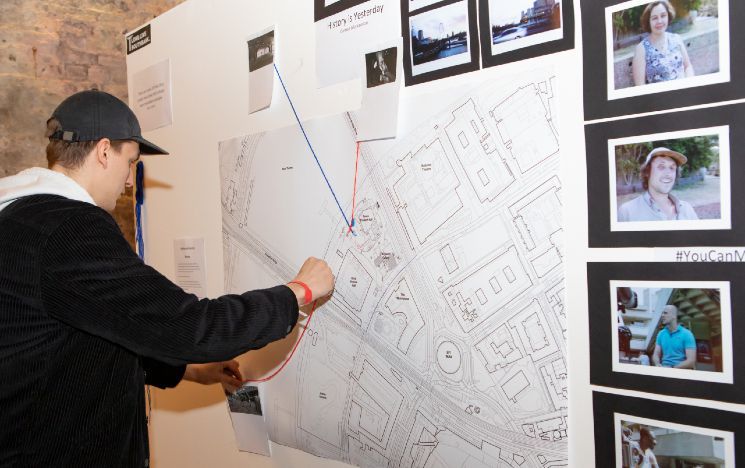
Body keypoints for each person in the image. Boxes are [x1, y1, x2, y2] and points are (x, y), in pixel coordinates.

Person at [0, 89, 335, 467]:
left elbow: (78, 343)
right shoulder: (72, 228)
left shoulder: (18, 220)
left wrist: (187, 369)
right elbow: (191, 325)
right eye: (131, 163)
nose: (130, 181)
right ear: (104, 151)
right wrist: (297, 292)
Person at [617, 147, 699, 222]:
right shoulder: (627, 212)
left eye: (672, 168)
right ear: (647, 172)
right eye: (661, 167)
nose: (668, 174)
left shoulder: (687, 209)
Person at [632, 0, 694, 86]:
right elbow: (640, 86)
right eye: (654, 18)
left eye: (663, 15)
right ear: (648, 21)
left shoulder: (677, 39)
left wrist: (690, 85)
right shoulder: (641, 49)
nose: (659, 21)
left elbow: (688, 66)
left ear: (668, 16)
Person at [653, 304, 696, 369]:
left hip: (681, 371)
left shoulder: (687, 334)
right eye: (662, 313)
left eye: (665, 313)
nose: (662, 315)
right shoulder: (661, 334)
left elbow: (691, 361)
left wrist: (672, 369)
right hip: (664, 369)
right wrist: (657, 364)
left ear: (674, 316)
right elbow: (656, 354)